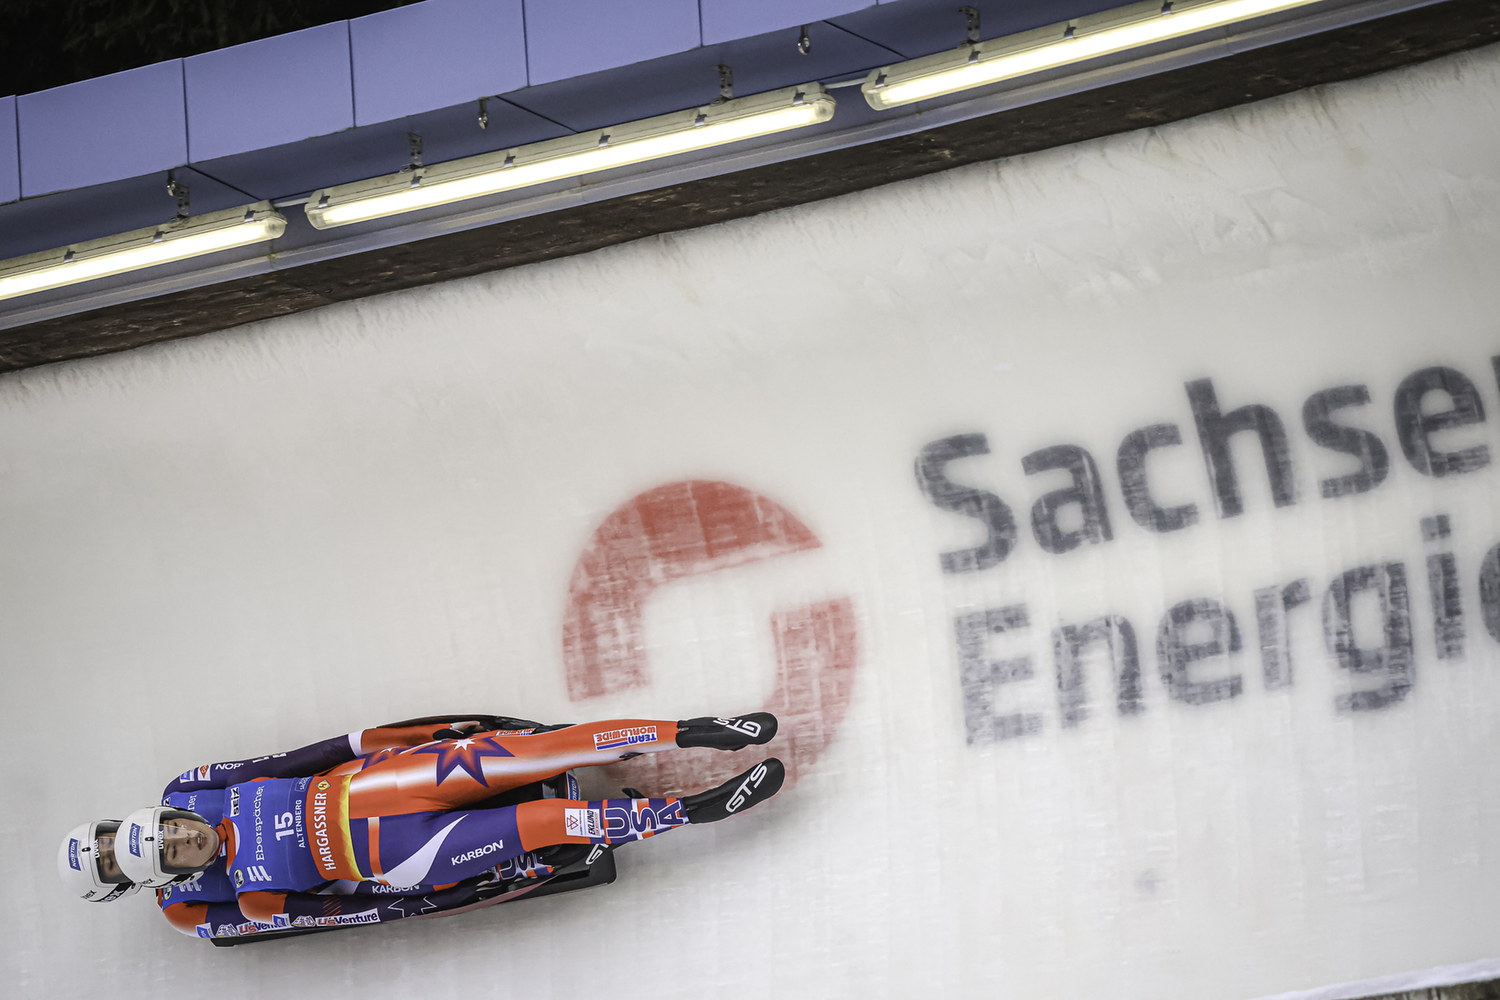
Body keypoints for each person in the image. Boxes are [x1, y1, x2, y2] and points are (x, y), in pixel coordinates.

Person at [60, 712, 781, 939]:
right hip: (402, 852)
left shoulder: (207, 789)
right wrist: (426, 901)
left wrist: (377, 737)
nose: (188, 839)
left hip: (384, 782)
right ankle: (692, 810)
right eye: (176, 852)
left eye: (176, 828)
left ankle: (691, 729)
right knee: (545, 819)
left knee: (534, 752)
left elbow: (297, 758)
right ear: (176, 874)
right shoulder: (236, 901)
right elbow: (333, 914)